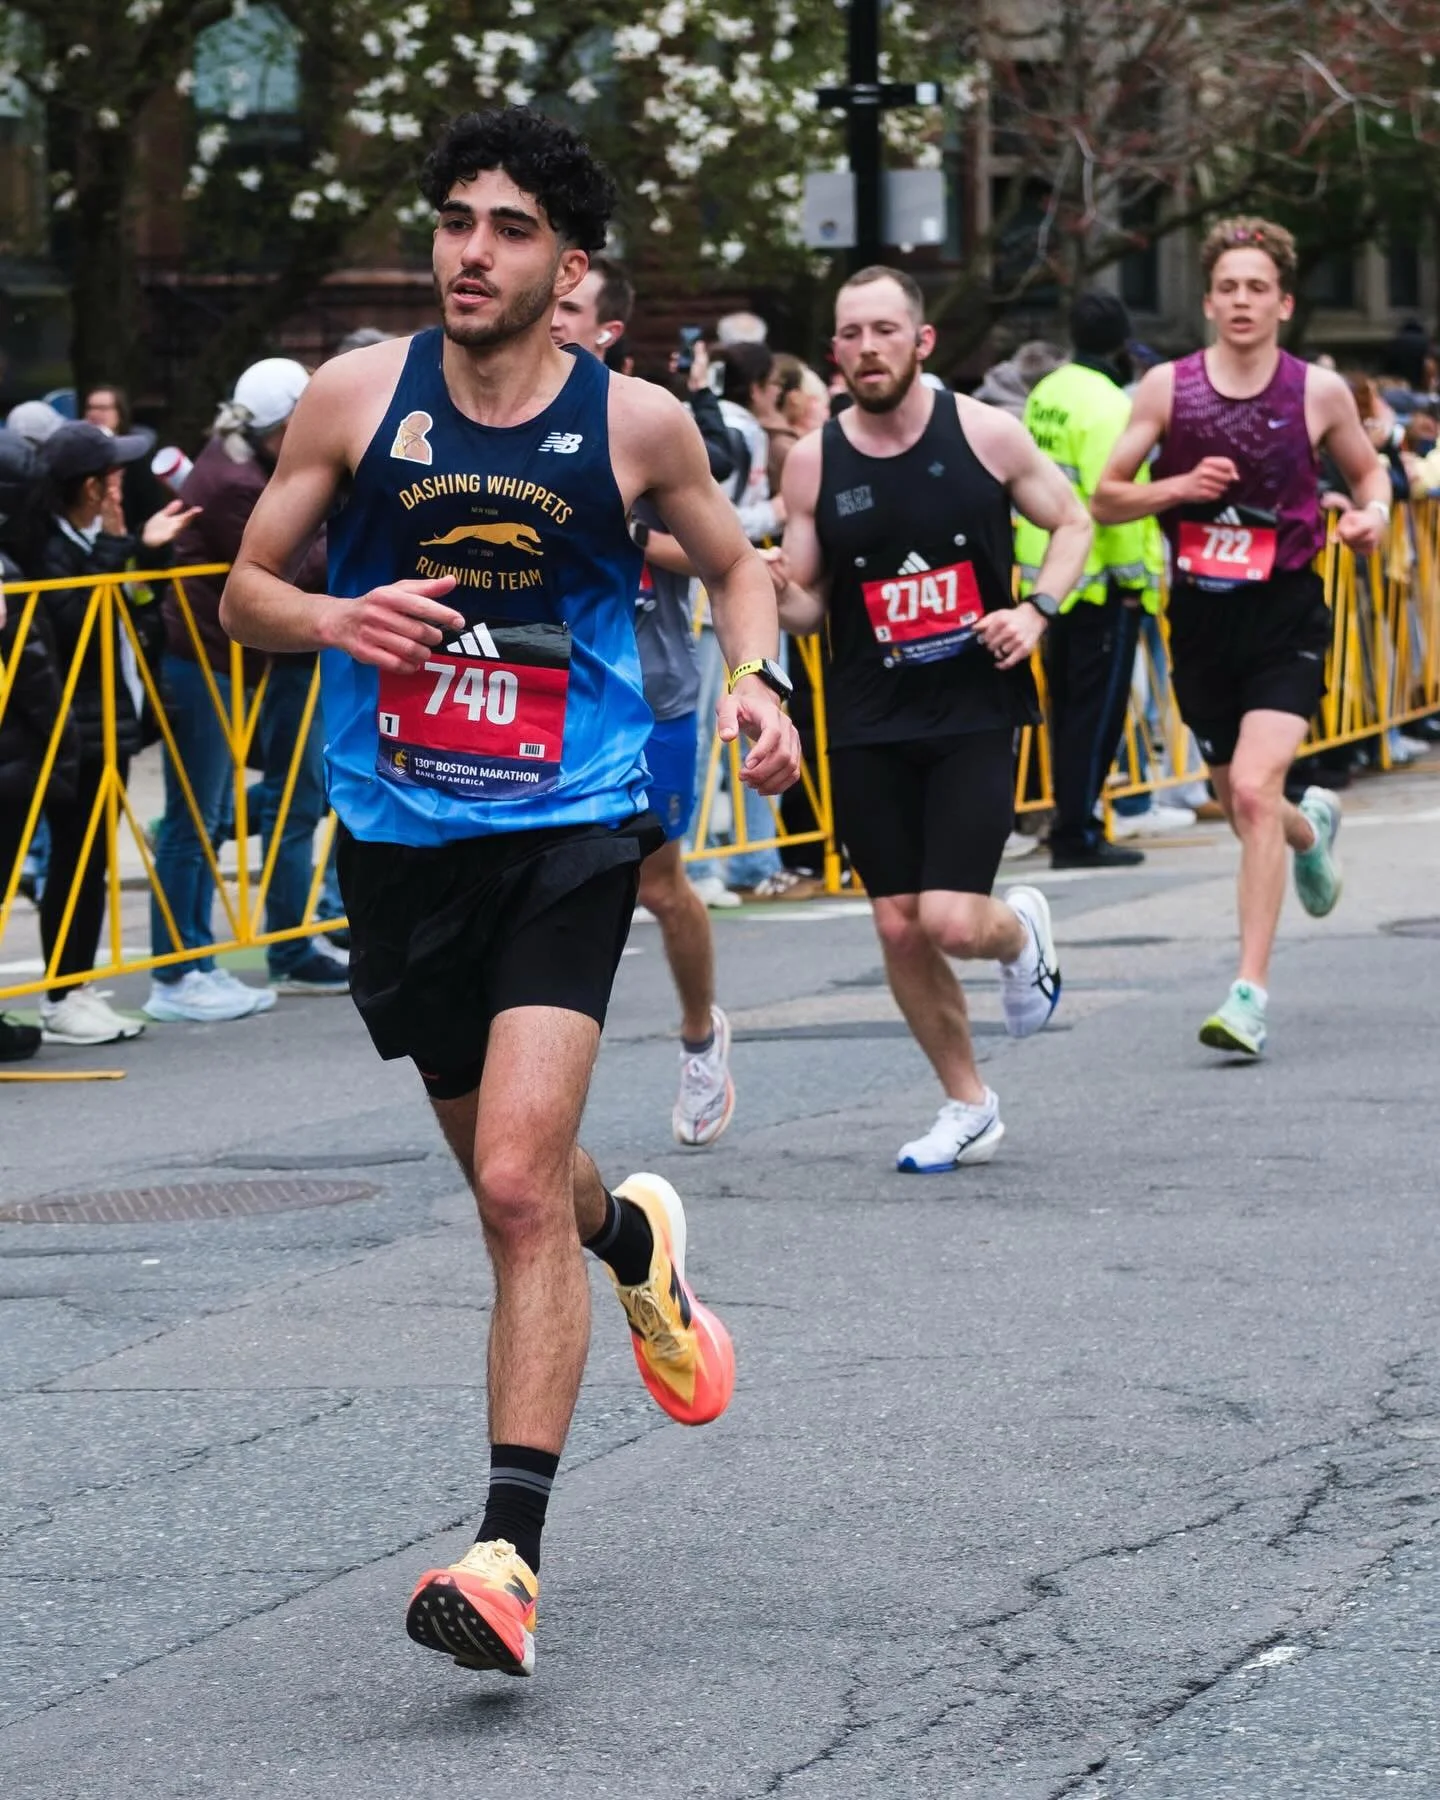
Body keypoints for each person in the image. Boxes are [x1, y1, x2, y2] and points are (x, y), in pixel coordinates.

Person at [220, 104, 799, 1678]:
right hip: (399, 840)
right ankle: (639, 1246)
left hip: (571, 825)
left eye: (511, 229)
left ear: (571, 267)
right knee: (525, 1183)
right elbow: (246, 590)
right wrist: (337, 622)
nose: (471, 253)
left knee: (514, 1187)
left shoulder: (636, 426)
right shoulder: (357, 397)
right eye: (456, 221)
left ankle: (505, 1557)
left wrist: (758, 685)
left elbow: (736, 565)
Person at [773, 265, 1089, 1170]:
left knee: (950, 919)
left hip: (972, 705)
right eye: (850, 334)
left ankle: (1018, 931)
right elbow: (808, 607)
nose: (867, 348)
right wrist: (766, 586)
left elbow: (1072, 522)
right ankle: (968, 1102)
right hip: (868, 715)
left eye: (884, 330)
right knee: (897, 924)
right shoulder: (813, 460)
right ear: (834, 352)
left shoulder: (987, 433)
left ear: (922, 341)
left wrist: (1036, 610)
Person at [1093, 216, 1389, 1057]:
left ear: (1284, 303)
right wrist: (1179, 487)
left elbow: (1370, 474)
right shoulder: (1166, 388)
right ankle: (1311, 830)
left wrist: (1369, 517)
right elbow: (1106, 497)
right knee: (1241, 802)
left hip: (1285, 611)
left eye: (1258, 287)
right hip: (1200, 616)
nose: (1242, 300)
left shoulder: (1317, 391)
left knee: (1254, 791)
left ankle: (1248, 993)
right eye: (1228, 287)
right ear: (1209, 302)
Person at [549, 254, 736, 1144]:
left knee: (659, 886)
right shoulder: (505, 415)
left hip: (652, 694)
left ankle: (700, 1036)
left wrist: (625, 532)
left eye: (572, 308)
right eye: (550, 304)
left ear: (608, 329)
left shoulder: (644, 422)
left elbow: (716, 554)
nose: (554, 318)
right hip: (548, 697)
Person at [143, 358, 343, 1025]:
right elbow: (297, 567)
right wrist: (336, 518)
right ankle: (179, 971)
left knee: (208, 813)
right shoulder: (235, 482)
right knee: (194, 819)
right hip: (204, 660)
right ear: (282, 424)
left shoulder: (240, 463)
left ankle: (197, 963)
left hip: (225, 660)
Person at [22, 423, 196, 1044]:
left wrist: (145, 557)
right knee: (73, 862)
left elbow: (139, 612)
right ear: (91, 488)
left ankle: (76, 987)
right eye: (112, 476)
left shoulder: (91, 541)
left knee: (89, 861)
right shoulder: (49, 549)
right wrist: (123, 547)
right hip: (76, 732)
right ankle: (62, 994)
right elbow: (74, 629)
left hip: (107, 724)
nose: (121, 485)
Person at [1016, 290, 1165, 869]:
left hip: (1050, 581)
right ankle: (1076, 831)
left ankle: (1075, 823)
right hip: (1100, 583)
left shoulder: (1047, 392)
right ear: (1123, 341)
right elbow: (1116, 501)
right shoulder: (1109, 404)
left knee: (1068, 712)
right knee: (1096, 716)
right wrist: (1134, 583)